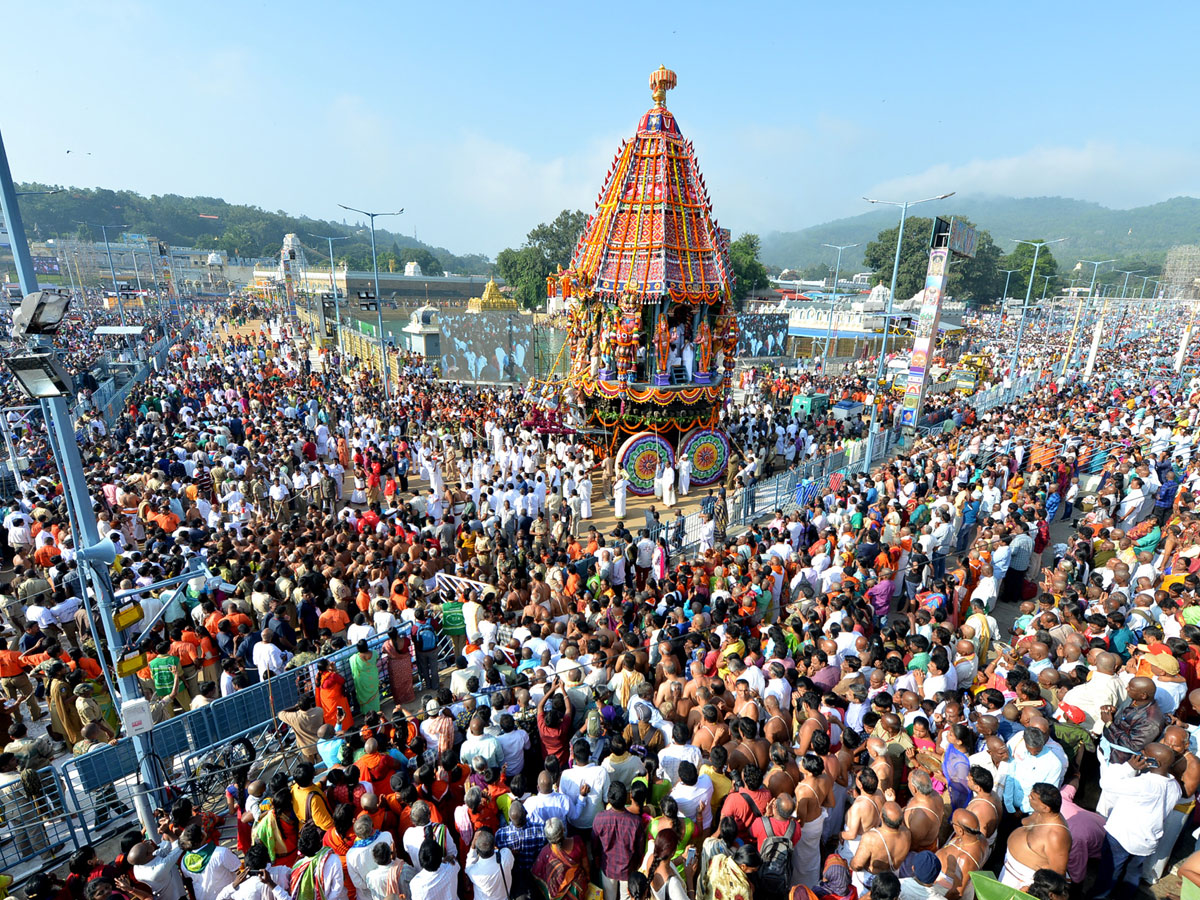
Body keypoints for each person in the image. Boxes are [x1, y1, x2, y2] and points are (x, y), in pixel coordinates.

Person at [1095, 742, 1181, 897]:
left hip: (1122, 837)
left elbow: (1106, 784)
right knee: (1132, 875)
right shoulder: (1175, 786)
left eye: (1144, 753)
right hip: (1147, 841)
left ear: (1155, 762)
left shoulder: (1143, 784)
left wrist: (1129, 767)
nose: (1140, 754)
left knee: (1109, 875)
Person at [178, 823, 240, 900]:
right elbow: (238, 870)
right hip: (228, 897)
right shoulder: (221, 853)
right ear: (202, 836)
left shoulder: (184, 861)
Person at [532, 817, 588, 900]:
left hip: (557, 896)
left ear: (548, 838)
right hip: (577, 891)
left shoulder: (545, 852)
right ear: (563, 829)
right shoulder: (577, 841)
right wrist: (588, 879)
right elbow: (586, 865)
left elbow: (537, 873)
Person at [464, 828, 515, 900]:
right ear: (494, 846)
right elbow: (505, 850)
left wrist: (473, 845)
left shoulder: (473, 872)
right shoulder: (506, 858)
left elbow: (469, 862)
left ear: (477, 850)